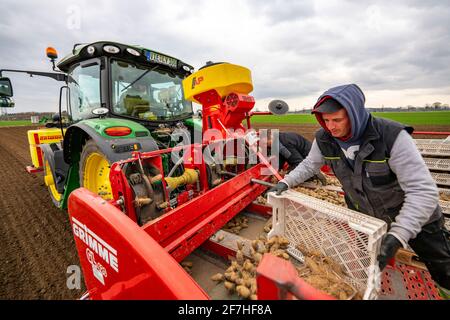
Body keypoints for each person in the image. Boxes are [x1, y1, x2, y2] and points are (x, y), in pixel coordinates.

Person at [269, 84, 450, 297]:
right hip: (367, 219)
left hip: (416, 217)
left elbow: (423, 192)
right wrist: (287, 182)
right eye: (325, 121)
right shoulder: (325, 139)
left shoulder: (391, 137)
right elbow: (310, 164)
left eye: (337, 120)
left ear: (354, 114)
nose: (331, 127)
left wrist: (399, 234)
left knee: (443, 268)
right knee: (368, 265)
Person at [263, 131, 328, 184]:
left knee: (292, 174)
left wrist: (286, 174)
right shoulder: (280, 138)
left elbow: (298, 162)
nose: (267, 146)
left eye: (268, 143)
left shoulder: (285, 143)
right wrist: (277, 169)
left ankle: (313, 175)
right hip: (304, 154)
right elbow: (281, 156)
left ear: (272, 137)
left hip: (307, 158)